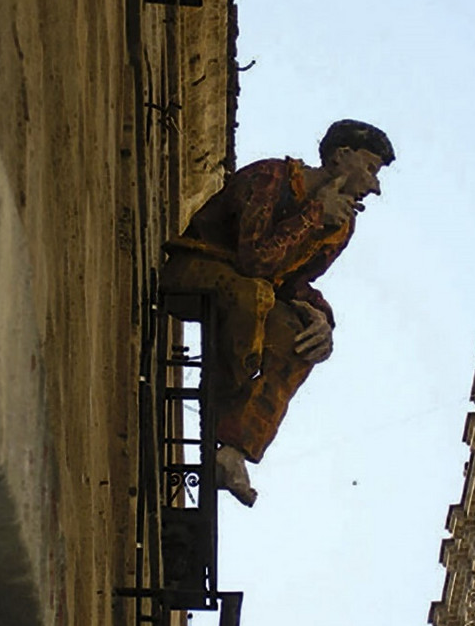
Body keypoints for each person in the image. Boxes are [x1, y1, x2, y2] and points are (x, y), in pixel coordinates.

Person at [161, 119, 394, 506]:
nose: (374, 186)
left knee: (298, 338)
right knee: (253, 296)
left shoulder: (341, 224)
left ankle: (234, 448)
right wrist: (314, 215)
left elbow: (291, 286)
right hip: (195, 269)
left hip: (254, 294)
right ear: (341, 157)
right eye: (370, 169)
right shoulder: (271, 177)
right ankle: (227, 400)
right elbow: (254, 260)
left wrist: (322, 319)